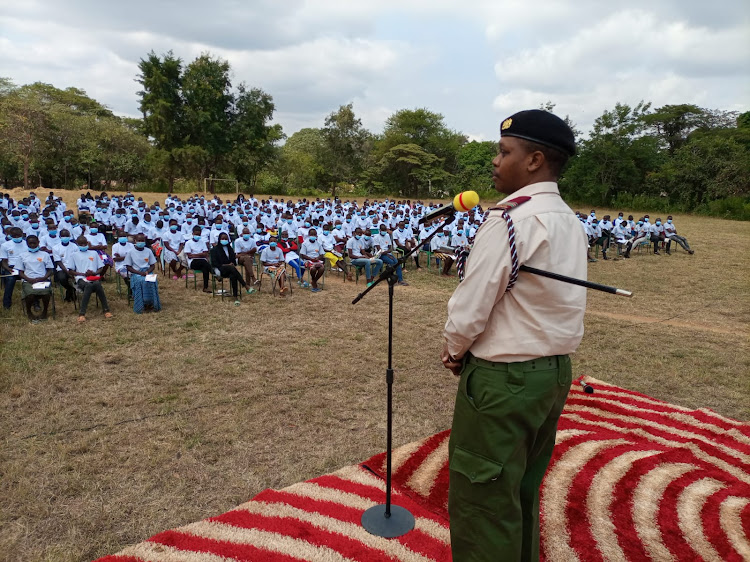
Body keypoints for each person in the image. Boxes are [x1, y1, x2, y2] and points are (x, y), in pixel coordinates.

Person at [441, 110, 587, 561]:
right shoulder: (567, 219)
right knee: (521, 490)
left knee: (483, 503)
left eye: (504, 152)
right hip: (553, 374)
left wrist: (453, 351)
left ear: (534, 160)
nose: (494, 161)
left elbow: (470, 308)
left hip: (503, 381)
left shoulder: (510, 220)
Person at [65, 235, 113, 323]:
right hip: (81, 279)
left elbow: (100, 268)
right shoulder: (74, 255)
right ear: (77, 244)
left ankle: (106, 310)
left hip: (93, 277)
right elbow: (71, 271)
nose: (83, 245)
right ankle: (82, 313)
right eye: (81, 244)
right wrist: (83, 274)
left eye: (85, 243)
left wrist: (94, 273)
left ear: (88, 243)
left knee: (97, 284)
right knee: (89, 286)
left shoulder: (94, 253)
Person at [16, 235, 55, 323]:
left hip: (43, 279)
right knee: (30, 294)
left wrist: (44, 277)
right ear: (27, 244)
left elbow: (50, 270)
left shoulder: (45, 254)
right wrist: (28, 279)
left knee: (46, 294)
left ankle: (44, 312)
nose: (33, 245)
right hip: (28, 280)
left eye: (34, 243)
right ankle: (29, 312)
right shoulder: (22, 255)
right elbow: (20, 272)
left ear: (38, 243)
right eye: (30, 243)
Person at [210, 231, 251, 304]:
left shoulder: (230, 248)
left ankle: (235, 296)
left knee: (233, 274)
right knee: (232, 269)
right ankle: (245, 285)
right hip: (220, 269)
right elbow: (214, 263)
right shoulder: (214, 250)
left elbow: (233, 260)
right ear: (219, 239)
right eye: (223, 239)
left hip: (230, 270)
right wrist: (226, 265)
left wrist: (232, 263)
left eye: (226, 239)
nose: (224, 240)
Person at [124, 233, 161, 313]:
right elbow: (128, 267)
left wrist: (147, 271)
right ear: (135, 241)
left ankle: (152, 303)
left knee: (153, 280)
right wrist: (139, 273)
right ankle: (142, 303)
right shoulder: (130, 252)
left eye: (142, 241)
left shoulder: (148, 251)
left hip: (147, 272)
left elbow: (152, 265)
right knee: (141, 281)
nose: (141, 242)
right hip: (136, 273)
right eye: (139, 240)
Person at [1, 227, 27, 310]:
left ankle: (35, 302)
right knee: (10, 280)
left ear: (22, 234)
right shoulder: (5, 245)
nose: (16, 237)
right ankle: (6, 304)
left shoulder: (27, 244)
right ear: (11, 236)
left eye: (18, 235)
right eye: (14, 236)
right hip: (12, 268)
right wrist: (8, 269)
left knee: (30, 281)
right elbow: (4, 261)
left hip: (25, 267)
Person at [183, 226, 211, 293]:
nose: (197, 236)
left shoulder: (202, 242)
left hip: (202, 261)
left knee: (205, 268)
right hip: (193, 262)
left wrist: (195, 255)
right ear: (192, 234)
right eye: (196, 234)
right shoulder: (188, 243)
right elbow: (189, 256)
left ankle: (205, 287)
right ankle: (214, 272)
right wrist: (201, 254)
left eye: (199, 234)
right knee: (204, 263)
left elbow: (206, 253)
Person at [299, 228, 325, 292]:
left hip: (317, 260)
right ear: (309, 235)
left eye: (314, 234)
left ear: (316, 235)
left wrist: (318, 258)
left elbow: (322, 254)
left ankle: (314, 281)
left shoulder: (318, 244)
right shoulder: (305, 244)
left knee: (322, 268)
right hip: (308, 260)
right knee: (313, 269)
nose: (313, 236)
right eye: (311, 234)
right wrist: (311, 259)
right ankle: (314, 281)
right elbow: (303, 255)